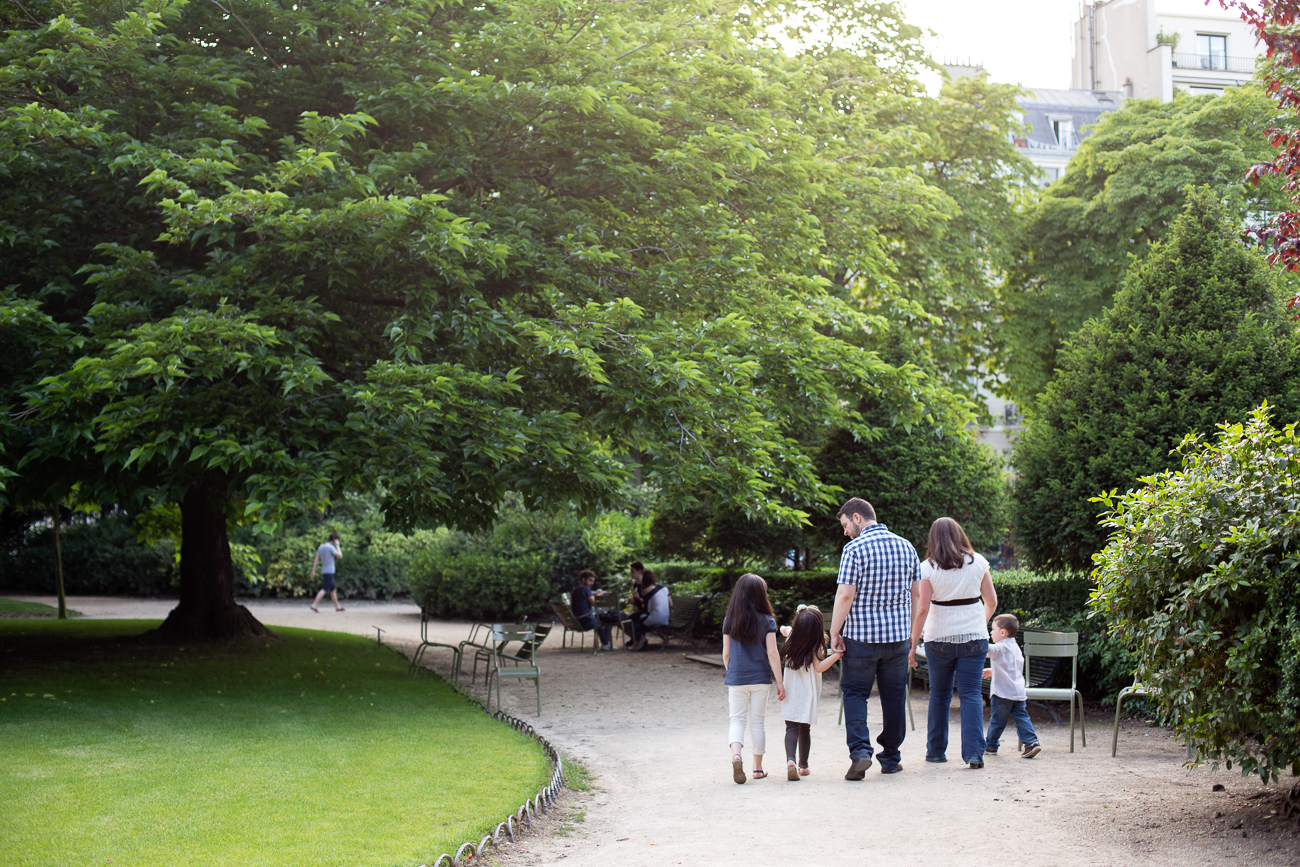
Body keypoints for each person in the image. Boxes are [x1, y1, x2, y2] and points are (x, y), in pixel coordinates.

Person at [829, 497, 919, 778]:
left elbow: (845, 594)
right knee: (894, 697)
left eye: (845, 525)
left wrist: (834, 631)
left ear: (857, 518)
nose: (845, 532)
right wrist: (912, 633)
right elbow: (917, 595)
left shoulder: (854, 549)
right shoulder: (907, 546)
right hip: (897, 639)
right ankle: (891, 757)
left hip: (861, 639)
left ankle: (860, 753)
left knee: (855, 693)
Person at [908, 516, 997, 769]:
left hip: (939, 639)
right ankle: (974, 755)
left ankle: (935, 752)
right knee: (970, 695)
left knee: (939, 695)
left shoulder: (927, 567)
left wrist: (913, 645)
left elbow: (923, 609)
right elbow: (991, 601)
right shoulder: (978, 562)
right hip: (974, 637)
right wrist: (979, 622)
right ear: (960, 534)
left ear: (933, 539)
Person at [723, 573, 785, 784]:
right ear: (760, 595)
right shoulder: (767, 620)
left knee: (737, 720)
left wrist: (732, 672)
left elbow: (726, 654)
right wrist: (779, 681)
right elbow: (772, 653)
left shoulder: (729, 620)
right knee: (758, 722)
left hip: (736, 678)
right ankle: (757, 769)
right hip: (760, 678)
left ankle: (736, 756)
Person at [778, 604, 842, 780]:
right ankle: (803, 766)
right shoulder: (817, 644)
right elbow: (819, 667)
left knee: (791, 728)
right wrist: (836, 656)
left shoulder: (792, 636)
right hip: (808, 693)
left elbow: (784, 629)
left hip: (791, 691)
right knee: (804, 729)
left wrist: (784, 627)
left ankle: (790, 761)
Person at [983, 614, 1041, 759]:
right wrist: (993, 671)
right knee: (1022, 718)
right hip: (1018, 692)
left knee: (997, 720)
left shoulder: (999, 648)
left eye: (993, 629)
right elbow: (1011, 667)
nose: (991, 632)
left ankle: (990, 746)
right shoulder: (1015, 647)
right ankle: (1031, 742)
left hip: (1002, 693)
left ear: (1002, 632)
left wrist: (977, 638)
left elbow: (985, 649)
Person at [571, 569, 622, 651]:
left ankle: (605, 643)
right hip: (587, 620)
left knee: (601, 618)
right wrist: (599, 595)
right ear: (583, 579)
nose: (592, 583)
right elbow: (595, 603)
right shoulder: (585, 588)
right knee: (609, 619)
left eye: (593, 581)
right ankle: (606, 644)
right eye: (590, 580)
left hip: (578, 620)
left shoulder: (576, 589)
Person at [629, 569, 670, 651]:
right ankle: (640, 639)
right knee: (638, 616)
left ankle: (638, 641)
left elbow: (646, 609)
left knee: (634, 618)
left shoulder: (646, 591)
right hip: (666, 619)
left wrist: (637, 600)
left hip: (655, 619)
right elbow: (671, 604)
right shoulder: (664, 588)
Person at [309, 532, 345, 612]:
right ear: (335, 540)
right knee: (325, 588)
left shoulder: (321, 547)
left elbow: (316, 559)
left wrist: (313, 570)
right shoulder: (331, 547)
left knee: (333, 590)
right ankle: (314, 605)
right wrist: (338, 546)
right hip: (330, 571)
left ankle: (337, 607)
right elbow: (340, 556)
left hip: (324, 570)